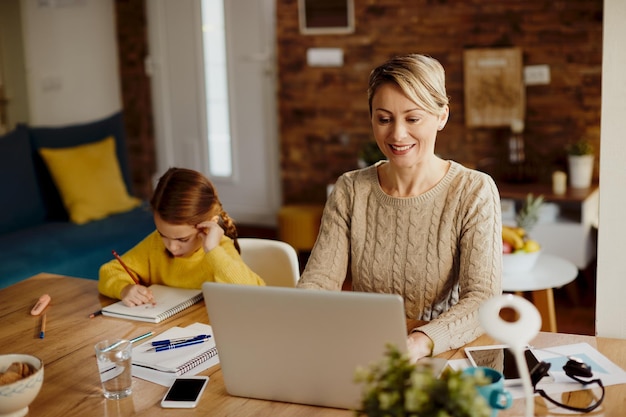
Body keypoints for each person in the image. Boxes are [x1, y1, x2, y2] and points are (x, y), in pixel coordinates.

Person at [297, 54, 502, 362]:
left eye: (413, 118)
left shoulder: (474, 190)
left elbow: (483, 298)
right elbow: (319, 281)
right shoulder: (350, 189)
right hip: (368, 350)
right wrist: (296, 320)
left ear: (442, 116)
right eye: (384, 119)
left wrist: (419, 342)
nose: (397, 135)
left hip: (442, 352)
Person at [99, 167, 265, 306]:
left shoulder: (219, 249)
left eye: (182, 239)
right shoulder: (155, 245)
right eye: (163, 234)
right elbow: (110, 270)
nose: (171, 246)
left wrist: (213, 250)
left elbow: (255, 296)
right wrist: (124, 288)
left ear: (208, 226)